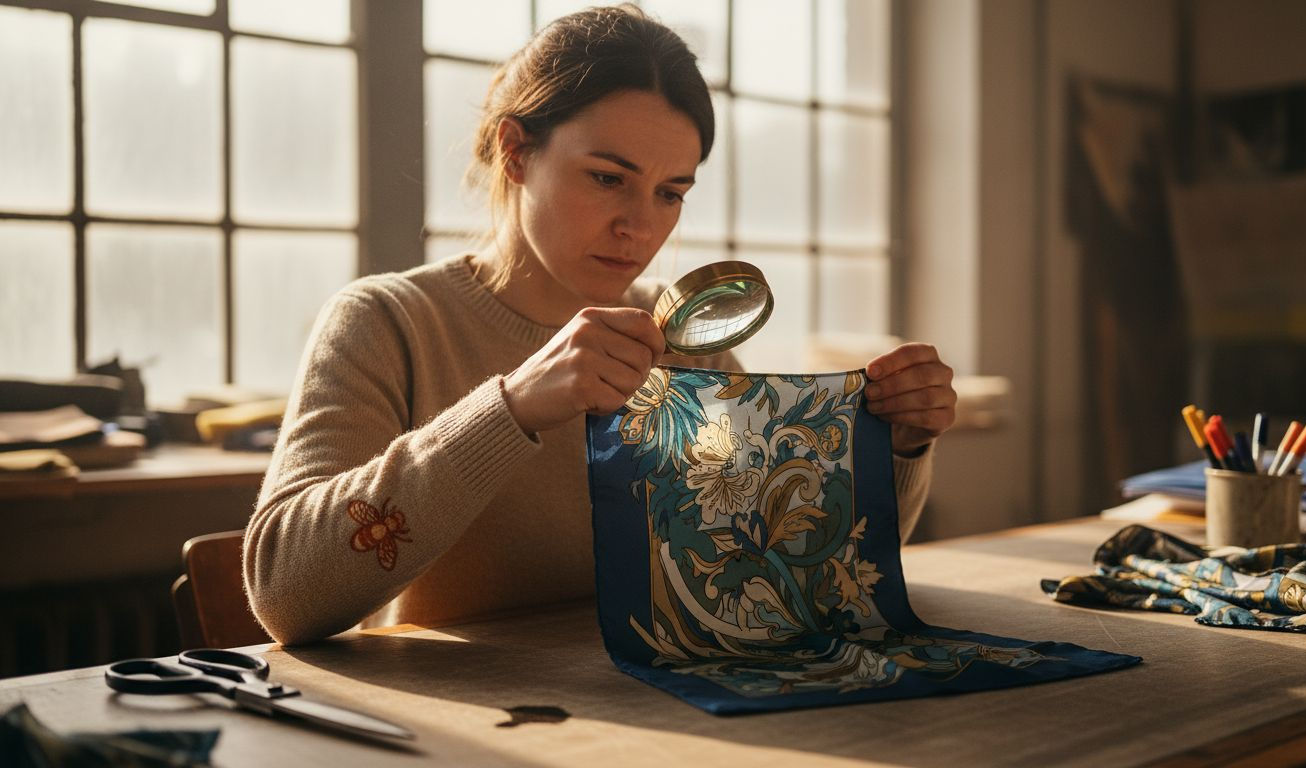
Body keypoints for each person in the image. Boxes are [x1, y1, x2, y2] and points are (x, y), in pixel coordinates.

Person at [243, 4, 956, 646]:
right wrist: (513, 407)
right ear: (517, 151)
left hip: (657, 721)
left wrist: (895, 445)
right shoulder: (387, 323)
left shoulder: (685, 338)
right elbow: (284, 595)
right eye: (608, 178)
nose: (640, 227)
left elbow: (810, 578)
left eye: (670, 192)